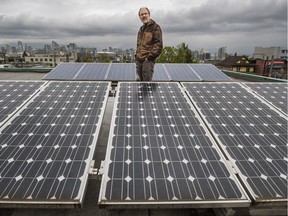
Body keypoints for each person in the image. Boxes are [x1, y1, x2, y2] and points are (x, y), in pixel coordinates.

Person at [135, 7, 163, 81]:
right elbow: (138, 45)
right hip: (139, 60)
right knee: (140, 84)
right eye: (142, 14)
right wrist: (137, 56)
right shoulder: (141, 29)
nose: (144, 16)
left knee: (147, 85)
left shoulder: (155, 27)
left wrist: (149, 58)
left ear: (149, 14)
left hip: (147, 61)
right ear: (139, 17)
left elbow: (158, 45)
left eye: (145, 14)